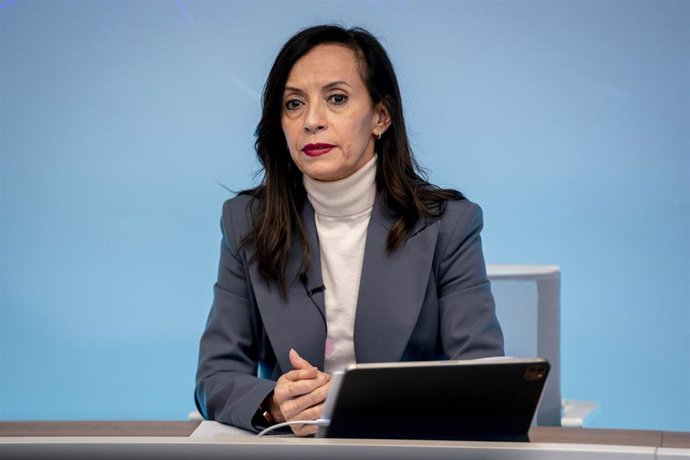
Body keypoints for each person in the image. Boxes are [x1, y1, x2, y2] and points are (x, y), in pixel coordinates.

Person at [195, 24, 504, 436]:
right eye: (293, 104)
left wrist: (352, 402)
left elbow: (482, 382)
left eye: (336, 99)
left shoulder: (447, 224)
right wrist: (273, 404)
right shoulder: (246, 222)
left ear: (380, 116)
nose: (312, 121)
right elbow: (215, 376)